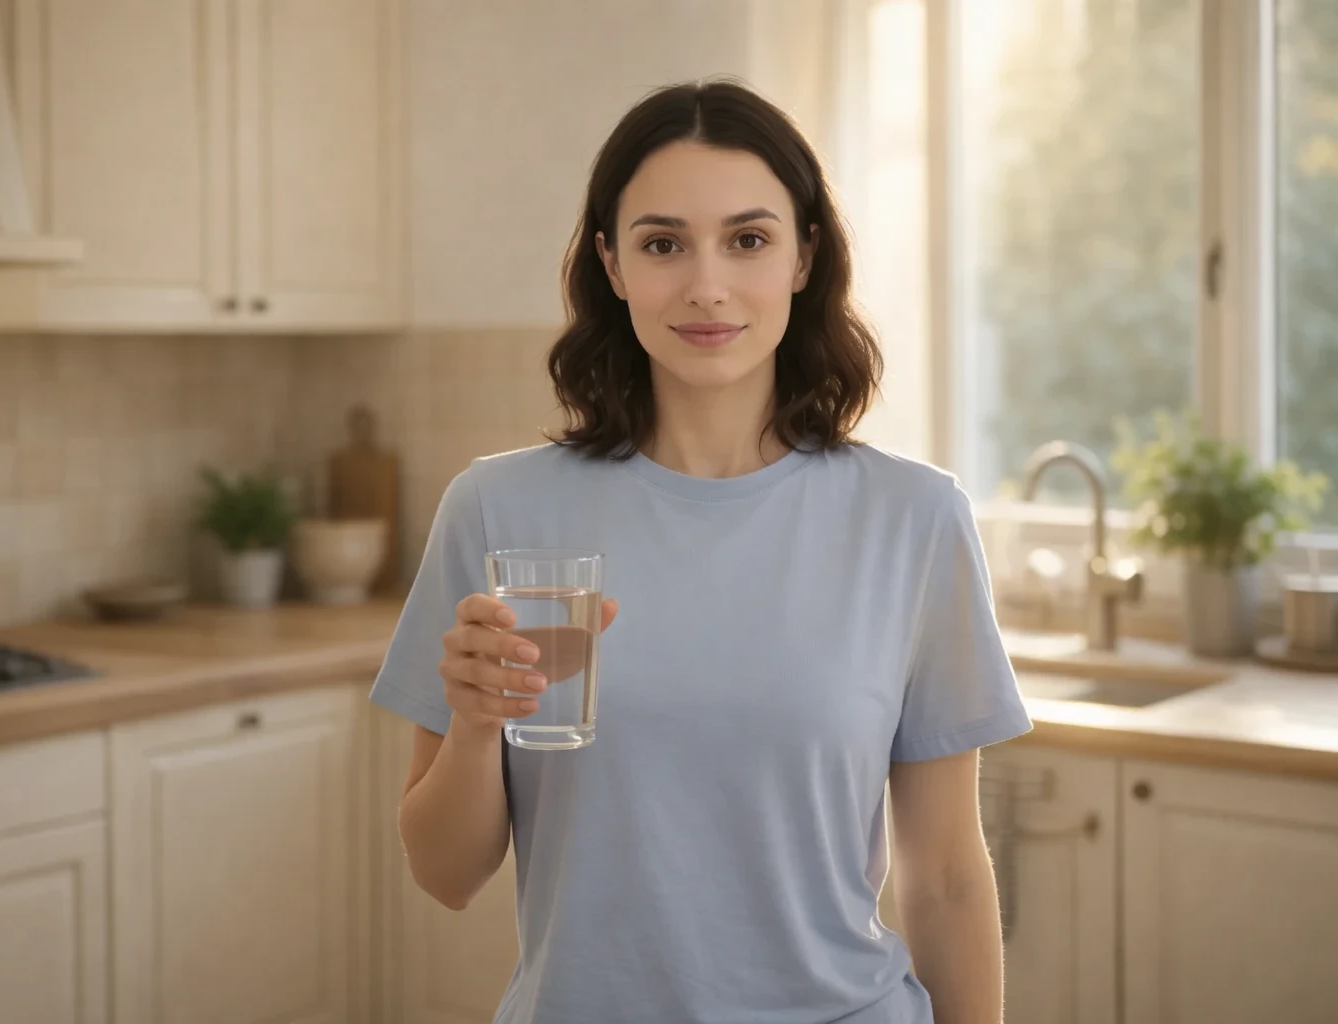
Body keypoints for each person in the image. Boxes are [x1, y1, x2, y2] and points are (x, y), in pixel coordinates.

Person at [368, 78, 1032, 1024]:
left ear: (805, 256)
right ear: (611, 262)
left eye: (749, 240)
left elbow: (947, 878)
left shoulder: (912, 519)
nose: (706, 285)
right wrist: (476, 725)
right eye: (663, 243)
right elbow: (444, 874)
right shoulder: (500, 511)